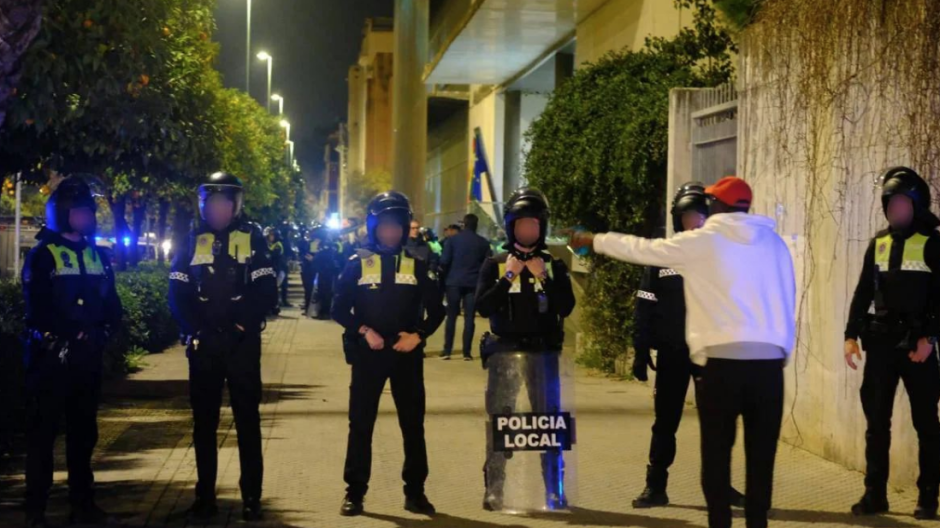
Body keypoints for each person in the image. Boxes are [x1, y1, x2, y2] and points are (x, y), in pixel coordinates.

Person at [569, 176, 795, 528]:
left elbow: (642, 249)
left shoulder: (702, 243)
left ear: (717, 206)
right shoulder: (776, 244)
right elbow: (787, 298)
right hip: (768, 369)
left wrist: (595, 240)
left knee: (716, 458)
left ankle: (719, 522)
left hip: (721, 366)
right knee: (762, 459)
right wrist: (783, 351)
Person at [169, 172, 277, 522]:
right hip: (204, 345)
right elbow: (177, 291)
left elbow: (265, 290)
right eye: (211, 203)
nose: (217, 210)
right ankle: (205, 497)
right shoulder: (190, 239)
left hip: (242, 344)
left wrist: (239, 325)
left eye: (224, 204)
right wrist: (196, 329)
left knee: (247, 420)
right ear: (203, 206)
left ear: (235, 206)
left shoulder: (253, 238)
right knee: (204, 424)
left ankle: (251, 497)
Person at [631, 183, 745, 509]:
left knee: (719, 423)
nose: (691, 222)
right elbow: (644, 303)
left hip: (711, 355)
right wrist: (640, 348)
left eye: (697, 216)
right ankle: (655, 486)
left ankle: (720, 488)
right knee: (665, 420)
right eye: (685, 216)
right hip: (672, 352)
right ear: (676, 219)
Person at [332, 191, 446, 517]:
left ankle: (415, 492)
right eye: (384, 227)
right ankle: (355, 492)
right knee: (361, 424)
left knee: (413, 425)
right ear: (373, 227)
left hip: (405, 355)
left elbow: (438, 311)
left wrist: (419, 336)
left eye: (396, 226)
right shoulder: (358, 264)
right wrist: (364, 331)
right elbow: (338, 308)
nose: (390, 232)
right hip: (369, 354)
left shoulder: (418, 265)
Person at [21, 176, 122, 528]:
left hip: (87, 359)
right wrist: (63, 333)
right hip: (50, 359)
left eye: (87, 212)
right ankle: (36, 508)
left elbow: (112, 303)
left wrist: (103, 332)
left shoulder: (97, 255)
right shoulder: (42, 256)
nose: (84, 218)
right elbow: (37, 306)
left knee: (84, 434)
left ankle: (83, 502)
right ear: (61, 214)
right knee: (43, 434)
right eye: (77, 212)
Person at [844, 166, 940, 520]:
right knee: (876, 425)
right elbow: (862, 292)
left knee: (927, 425)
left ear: (916, 204)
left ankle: (928, 497)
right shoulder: (878, 243)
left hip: (919, 348)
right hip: (881, 346)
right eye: (891, 204)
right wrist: (850, 336)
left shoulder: (933, 243)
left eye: (902, 203)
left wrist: (930, 338)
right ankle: (875, 494)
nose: (895, 210)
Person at [475, 187, 576, 511]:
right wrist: (508, 277)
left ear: (541, 227)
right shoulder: (495, 263)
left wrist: (543, 277)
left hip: (543, 353)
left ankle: (554, 489)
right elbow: (483, 306)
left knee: (548, 425)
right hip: (505, 354)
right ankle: (495, 489)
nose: (527, 231)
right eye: (521, 225)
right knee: (501, 423)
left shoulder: (553, 265)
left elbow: (566, 306)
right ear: (511, 227)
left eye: (533, 225)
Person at [440, 213, 492, 360]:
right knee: (469, 318)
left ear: (464, 224)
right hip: (473, 283)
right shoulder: (482, 243)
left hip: (454, 282)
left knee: (451, 317)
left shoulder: (452, 240)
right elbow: (488, 264)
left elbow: (444, 261)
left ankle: (447, 350)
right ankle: (466, 352)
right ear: (476, 225)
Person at [264, 226, 286, 316]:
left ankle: (274, 307)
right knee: (271, 290)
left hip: (277, 270)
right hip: (271, 270)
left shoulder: (277, 245)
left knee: (273, 290)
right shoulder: (271, 244)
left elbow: (272, 255)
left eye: (271, 235)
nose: (270, 237)